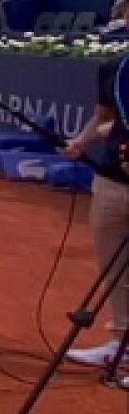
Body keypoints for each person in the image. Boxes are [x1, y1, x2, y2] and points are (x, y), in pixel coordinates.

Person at [61, 52, 129, 367]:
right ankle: (122, 343)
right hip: (111, 181)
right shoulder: (113, 67)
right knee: (114, 270)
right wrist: (82, 141)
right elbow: (104, 117)